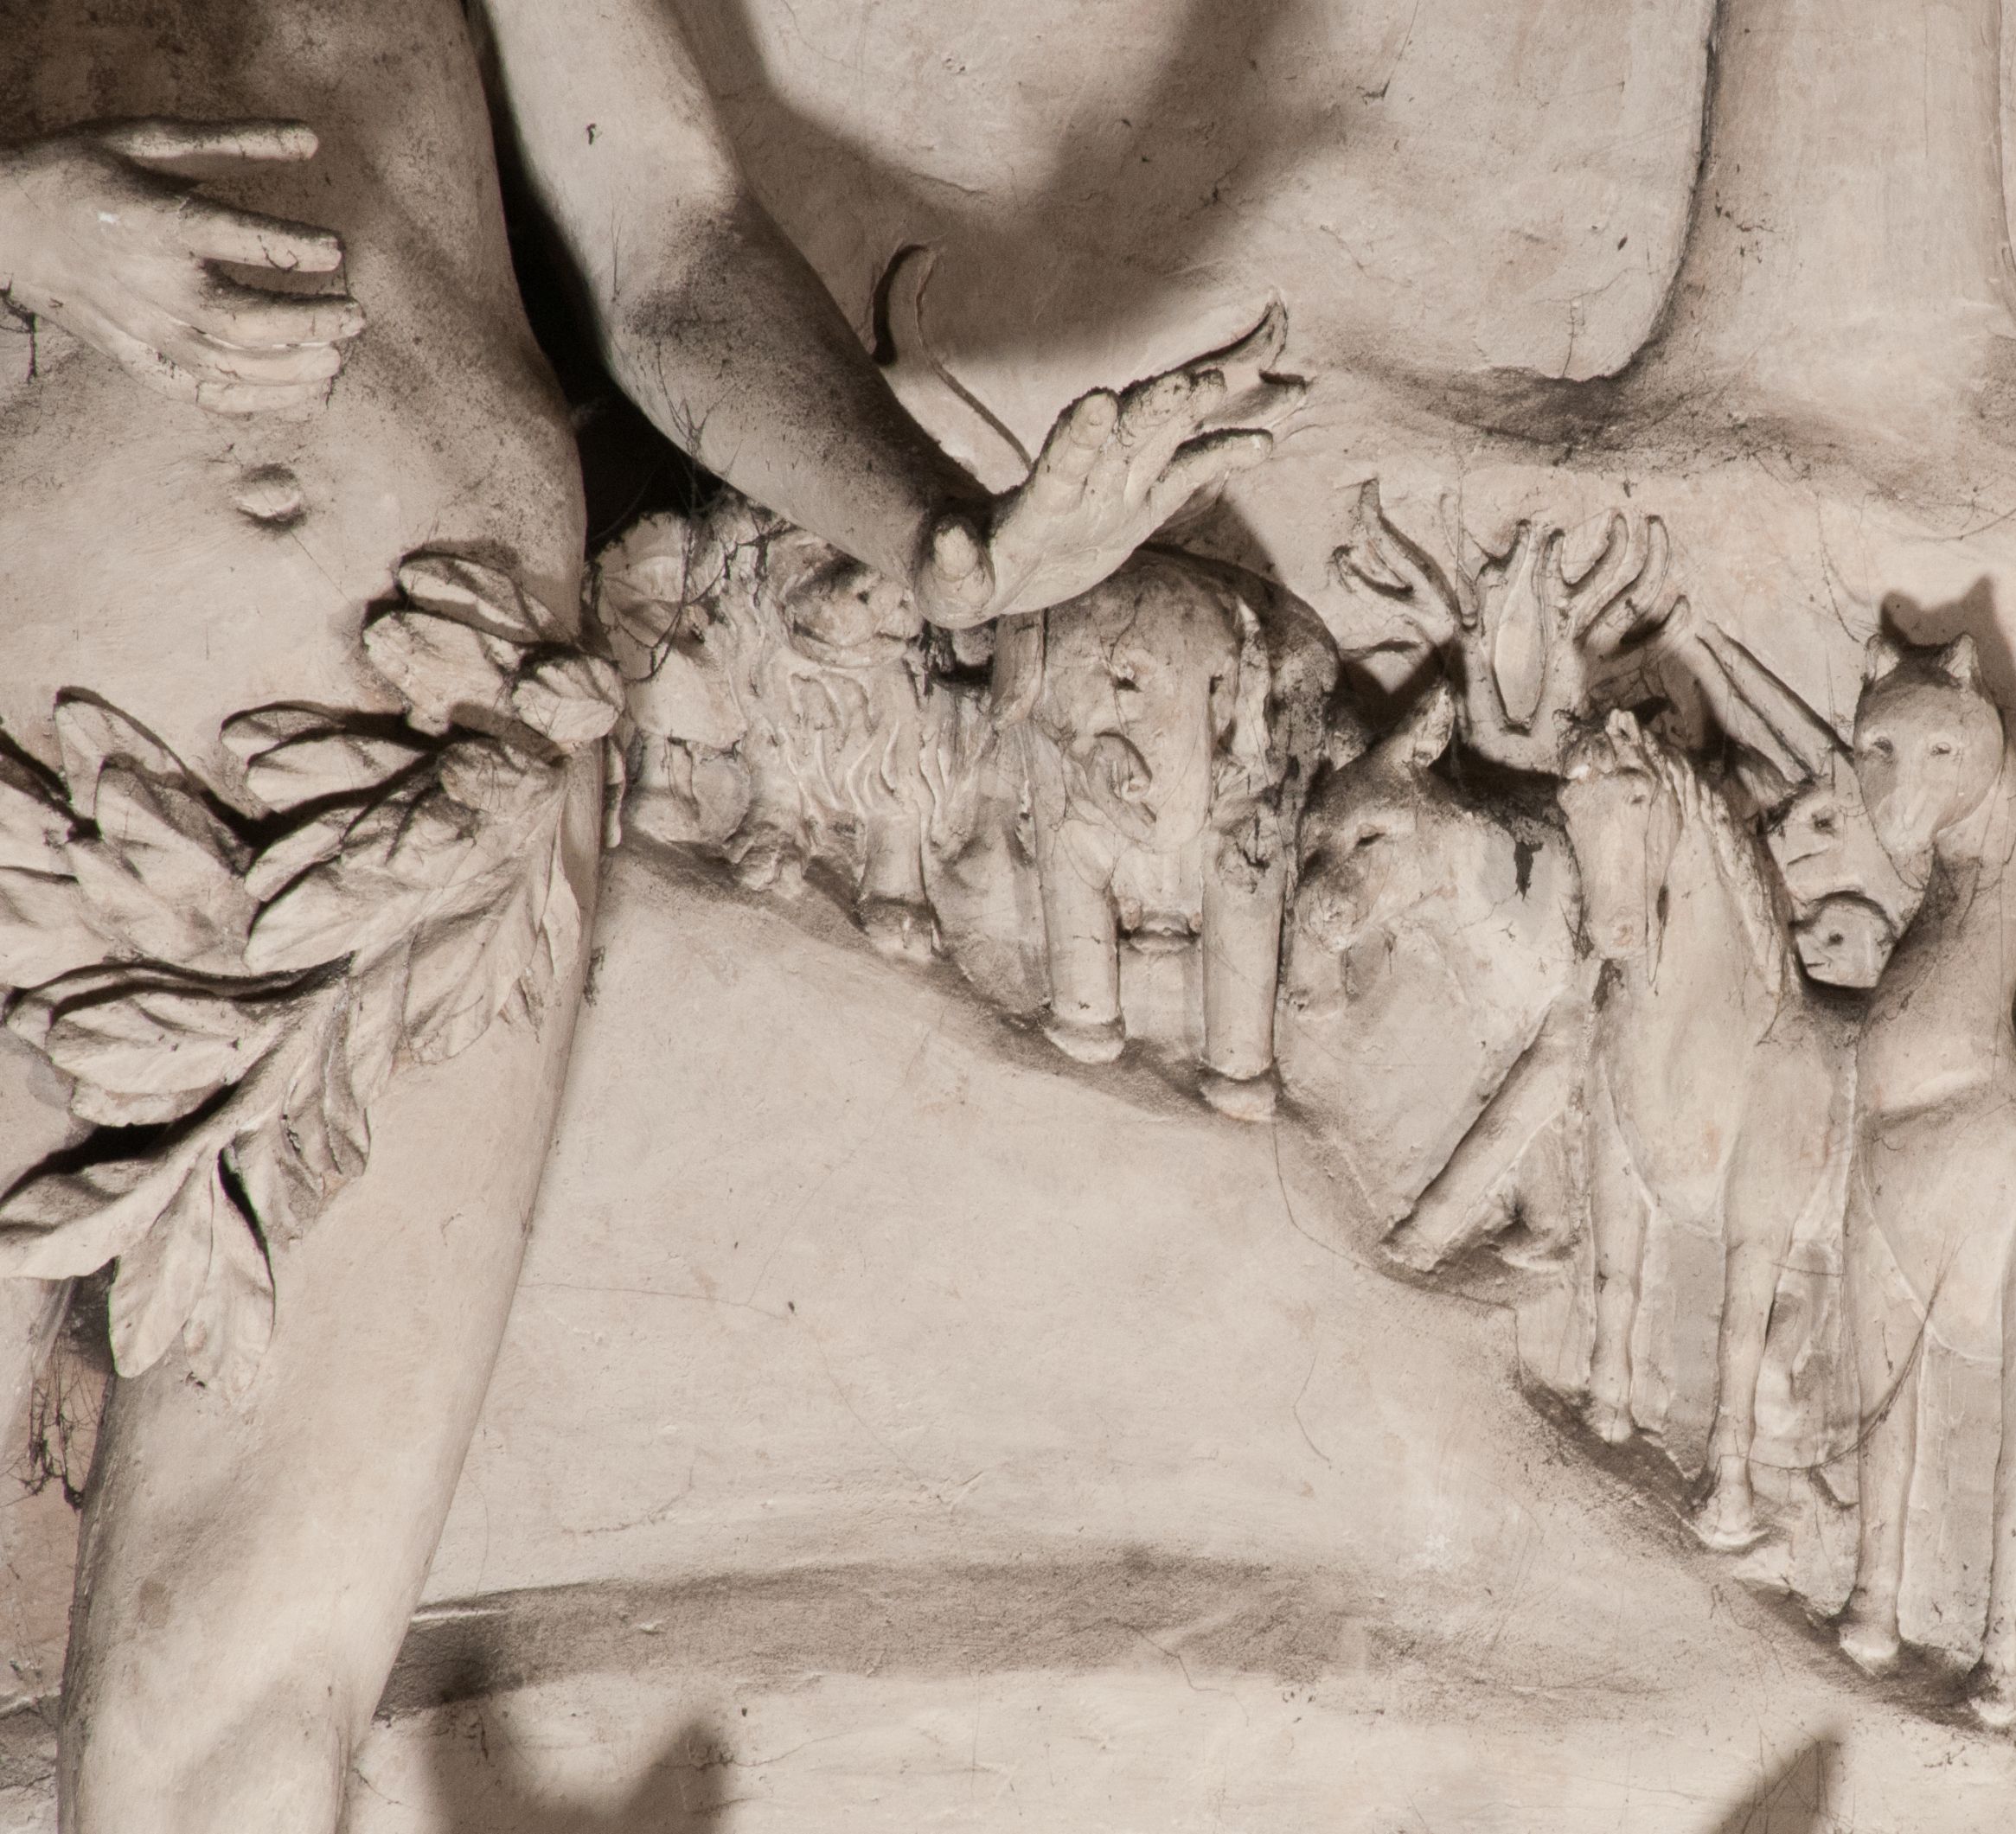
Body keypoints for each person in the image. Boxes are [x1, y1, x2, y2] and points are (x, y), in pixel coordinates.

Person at [0, 2, 1295, 1824]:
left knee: (243, 1689)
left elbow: (670, 245)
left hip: (454, 753)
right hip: (35, 686)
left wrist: (941, 540)